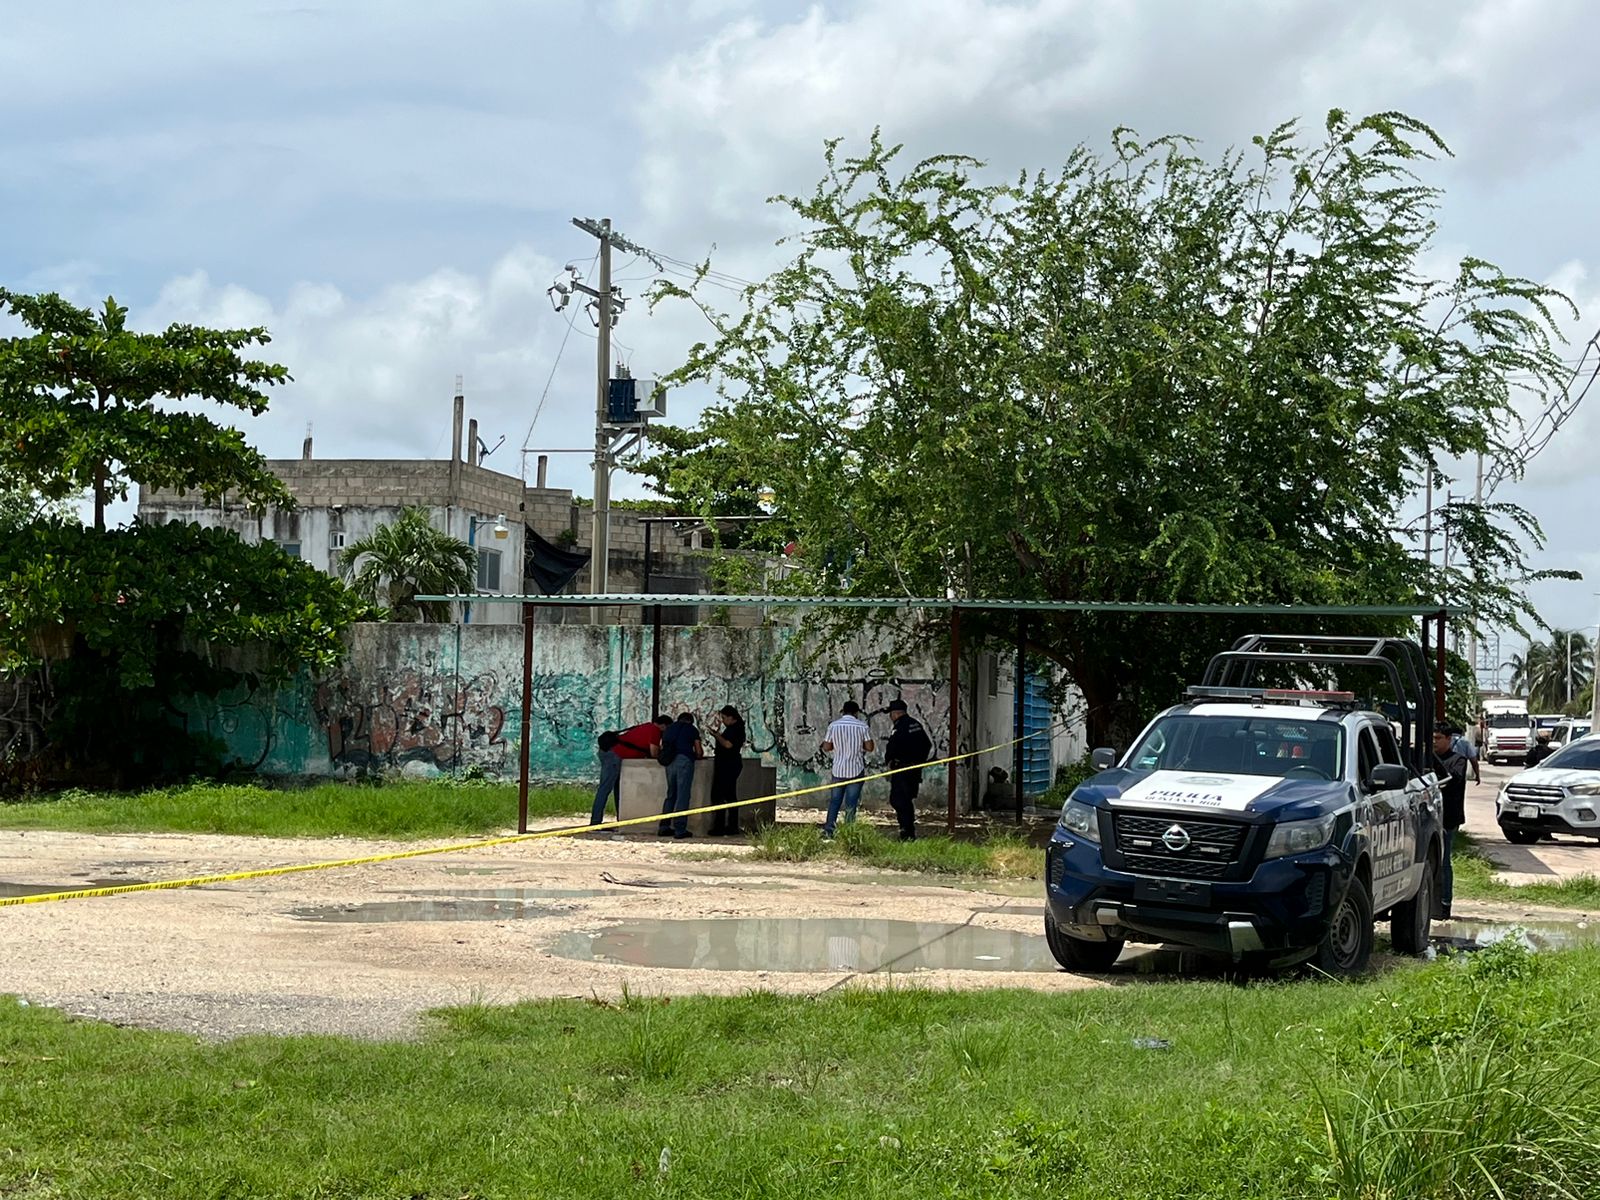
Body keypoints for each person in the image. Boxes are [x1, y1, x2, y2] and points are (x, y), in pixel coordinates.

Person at [591, 714, 670, 826]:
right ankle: (595, 822)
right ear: (663, 725)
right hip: (614, 755)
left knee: (617, 789)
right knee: (605, 789)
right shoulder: (655, 731)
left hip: (612, 754)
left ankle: (618, 820)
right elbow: (654, 753)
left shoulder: (646, 726)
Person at [820, 700, 874, 837]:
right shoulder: (862, 727)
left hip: (838, 770)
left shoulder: (833, 726)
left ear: (843, 711)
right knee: (851, 803)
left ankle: (829, 830)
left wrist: (836, 746)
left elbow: (826, 747)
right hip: (856, 769)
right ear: (856, 713)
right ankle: (848, 833)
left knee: (835, 802)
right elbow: (870, 747)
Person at [883, 698, 932, 841]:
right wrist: (918, 762)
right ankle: (907, 829)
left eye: (891, 714)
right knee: (906, 799)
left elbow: (893, 747)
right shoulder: (915, 724)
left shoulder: (900, 727)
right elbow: (927, 744)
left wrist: (891, 761)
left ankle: (906, 831)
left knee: (899, 800)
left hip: (902, 770)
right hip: (914, 770)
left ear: (896, 713)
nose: (890, 717)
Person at [1432, 727, 1467, 921]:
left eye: (1438, 738)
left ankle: (1445, 904)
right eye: (1432, 738)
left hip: (1448, 819)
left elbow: (1454, 780)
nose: (1434, 742)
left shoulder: (1458, 760)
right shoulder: (1427, 758)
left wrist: (1436, 763)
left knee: (1444, 861)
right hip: (1429, 818)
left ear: (1448, 739)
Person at [657, 712, 703, 839]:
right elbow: (699, 751)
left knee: (671, 794)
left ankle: (664, 826)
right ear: (690, 721)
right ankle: (680, 829)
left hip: (669, 763)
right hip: (684, 761)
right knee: (683, 795)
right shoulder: (692, 730)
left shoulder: (669, 729)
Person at [708, 705, 747, 836]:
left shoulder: (737, 730)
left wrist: (716, 735)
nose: (723, 720)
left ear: (731, 717)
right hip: (726, 764)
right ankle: (729, 825)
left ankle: (723, 826)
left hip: (728, 765)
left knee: (722, 796)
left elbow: (728, 744)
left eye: (724, 718)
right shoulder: (733, 729)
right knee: (728, 795)